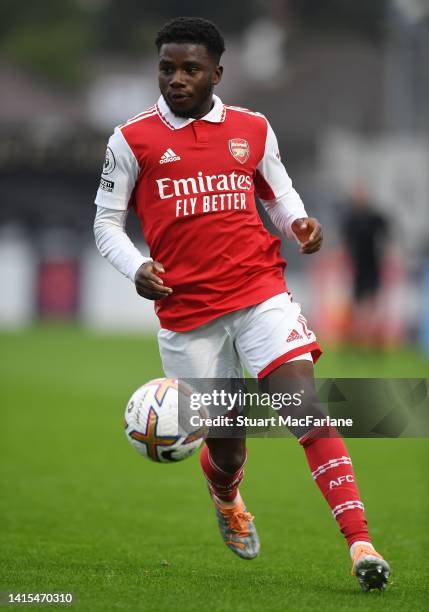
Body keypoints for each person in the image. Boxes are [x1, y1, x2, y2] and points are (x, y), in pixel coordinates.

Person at [93, 17, 390, 591]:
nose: (176, 79)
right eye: (166, 68)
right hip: (188, 314)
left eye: (190, 69)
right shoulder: (130, 140)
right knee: (227, 448)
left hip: (259, 292)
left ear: (217, 73)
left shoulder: (252, 128)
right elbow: (106, 224)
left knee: (305, 408)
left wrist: (298, 222)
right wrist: (137, 267)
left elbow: (280, 194)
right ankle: (226, 495)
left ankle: (360, 544)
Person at [341, 184, 389, 346]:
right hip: (357, 267)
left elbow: (386, 236)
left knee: (372, 301)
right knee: (356, 302)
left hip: (373, 264)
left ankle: (371, 335)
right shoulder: (350, 218)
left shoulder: (375, 217)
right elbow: (345, 243)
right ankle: (357, 335)